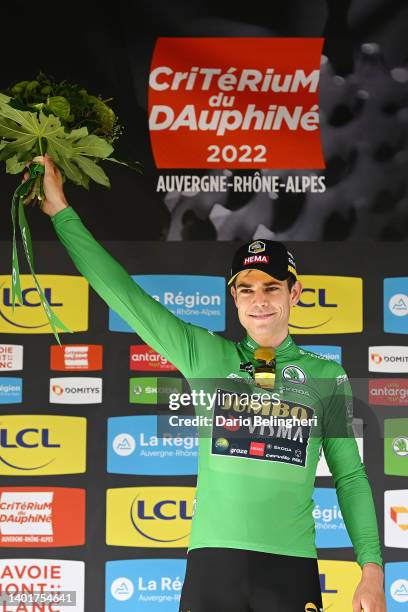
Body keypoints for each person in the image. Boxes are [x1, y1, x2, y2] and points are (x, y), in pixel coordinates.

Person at [29, 155, 386, 612]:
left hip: (290, 569)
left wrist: (372, 569)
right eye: (247, 289)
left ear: (294, 293)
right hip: (213, 568)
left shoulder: (324, 375)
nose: (259, 302)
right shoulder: (206, 355)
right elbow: (123, 293)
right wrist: (61, 212)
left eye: (272, 287)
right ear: (234, 297)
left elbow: (350, 476)